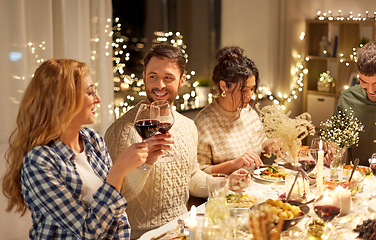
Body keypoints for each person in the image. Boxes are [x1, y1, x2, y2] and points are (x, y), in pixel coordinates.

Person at [104, 44, 249, 239]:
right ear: (144, 78)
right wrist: (147, 163)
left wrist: (225, 183)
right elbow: (116, 197)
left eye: (168, 78)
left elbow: (191, 178)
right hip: (143, 235)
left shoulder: (188, 126)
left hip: (182, 231)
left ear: (181, 80)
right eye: (153, 76)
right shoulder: (121, 130)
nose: (160, 85)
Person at [2, 59, 148, 239]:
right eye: (90, 92)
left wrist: (145, 163)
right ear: (63, 100)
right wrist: (118, 170)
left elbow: (116, 211)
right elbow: (88, 231)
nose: (98, 99)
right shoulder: (39, 161)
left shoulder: (92, 140)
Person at [194, 46, 268, 175]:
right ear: (223, 86)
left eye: (252, 89)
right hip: (224, 192)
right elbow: (199, 172)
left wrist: (270, 145)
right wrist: (234, 164)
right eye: (243, 90)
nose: (249, 96)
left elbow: (261, 148)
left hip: (253, 189)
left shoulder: (248, 112)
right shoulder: (204, 123)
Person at [333, 41, 376, 166]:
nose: (371, 90)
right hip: (356, 178)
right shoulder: (347, 99)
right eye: (364, 82)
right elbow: (334, 141)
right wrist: (332, 149)